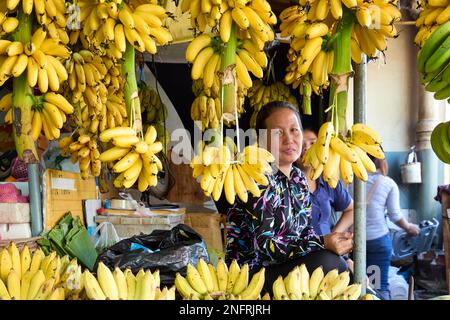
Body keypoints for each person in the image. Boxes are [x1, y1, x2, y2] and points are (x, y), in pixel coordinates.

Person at [225, 101, 353, 293]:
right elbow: (266, 247)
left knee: (339, 265)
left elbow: (305, 233)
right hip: (253, 276)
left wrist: (332, 240)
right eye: (278, 133)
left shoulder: (299, 178)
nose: (289, 139)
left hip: (288, 267)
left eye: (294, 130)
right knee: (328, 261)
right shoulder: (256, 177)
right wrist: (322, 242)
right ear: (262, 139)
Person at [364, 156, 420, 300]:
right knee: (378, 286)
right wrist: (409, 227)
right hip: (377, 244)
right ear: (381, 161)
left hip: (356, 242)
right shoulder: (387, 183)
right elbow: (395, 215)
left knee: (363, 285)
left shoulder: (352, 183)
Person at [297, 127, 354, 236]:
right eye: (301, 143)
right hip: (299, 251)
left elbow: (351, 209)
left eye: (313, 143)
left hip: (327, 251)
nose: (306, 148)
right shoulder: (286, 184)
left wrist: (332, 235)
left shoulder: (328, 179)